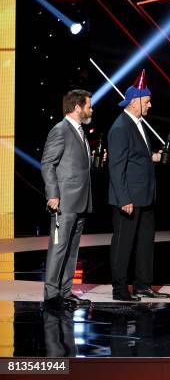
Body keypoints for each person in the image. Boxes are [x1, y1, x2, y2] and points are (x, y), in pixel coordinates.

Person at [107, 70, 170, 302]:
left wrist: (154, 157)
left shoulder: (138, 123)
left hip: (144, 196)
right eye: (147, 101)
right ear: (135, 102)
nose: (150, 105)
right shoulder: (120, 127)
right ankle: (120, 290)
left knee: (145, 243)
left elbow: (136, 156)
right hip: (129, 199)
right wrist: (124, 199)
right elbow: (116, 167)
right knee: (123, 245)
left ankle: (143, 285)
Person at [41, 89, 96, 310]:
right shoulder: (60, 130)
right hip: (64, 200)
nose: (91, 109)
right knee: (59, 247)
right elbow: (47, 163)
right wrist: (53, 194)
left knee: (72, 250)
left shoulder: (80, 131)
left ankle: (65, 291)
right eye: (88, 106)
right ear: (77, 107)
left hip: (80, 200)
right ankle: (52, 295)